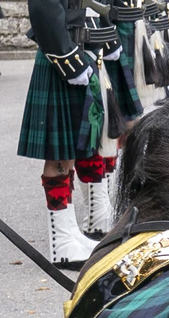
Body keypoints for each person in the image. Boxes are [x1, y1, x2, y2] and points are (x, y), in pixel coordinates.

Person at [18, 0, 112, 267]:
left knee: (69, 152)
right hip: (61, 56)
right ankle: (61, 245)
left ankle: (70, 233)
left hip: (78, 50)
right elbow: (43, 8)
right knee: (58, 157)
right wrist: (67, 59)